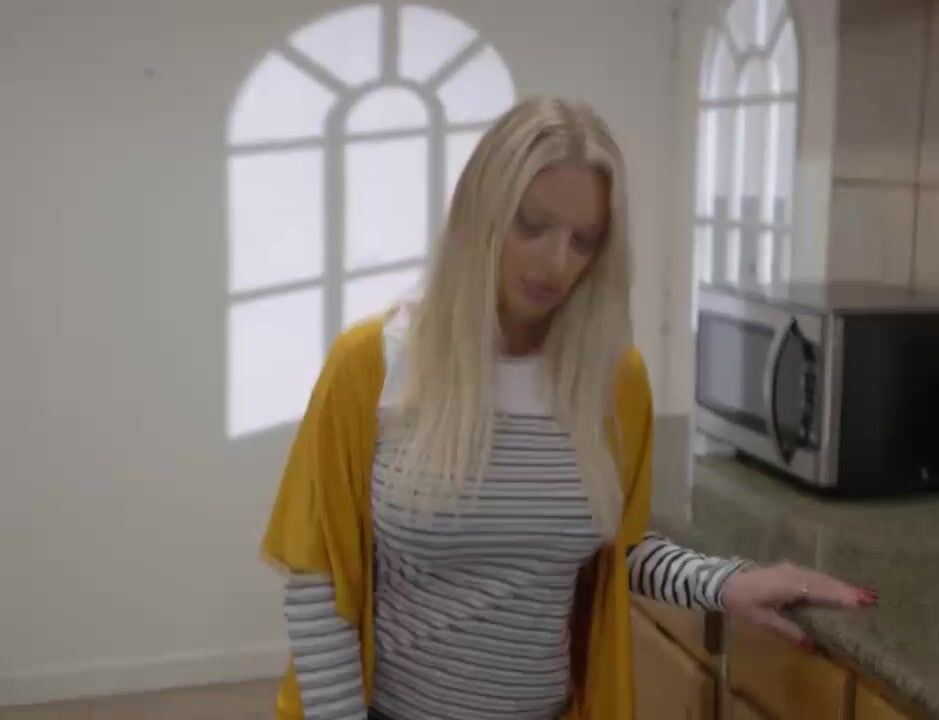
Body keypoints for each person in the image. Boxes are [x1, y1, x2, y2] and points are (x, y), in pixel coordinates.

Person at [260, 96, 877, 720]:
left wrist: (724, 582)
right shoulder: (373, 364)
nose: (557, 263)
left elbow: (616, 554)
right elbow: (317, 580)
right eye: (532, 226)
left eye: (584, 241)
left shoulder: (612, 381)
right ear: (478, 214)